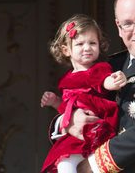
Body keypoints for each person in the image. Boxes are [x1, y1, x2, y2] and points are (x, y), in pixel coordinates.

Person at [60, 0, 135, 173]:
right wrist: (69, 120)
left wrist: (93, 164)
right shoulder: (109, 65)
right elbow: (74, 93)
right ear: (118, 27)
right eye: (128, 23)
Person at [40, 14, 127, 173]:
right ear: (66, 50)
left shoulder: (100, 69)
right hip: (76, 135)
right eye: (80, 43)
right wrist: (55, 102)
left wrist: (113, 82)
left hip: (97, 127)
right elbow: (68, 109)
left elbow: (103, 82)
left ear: (99, 46)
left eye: (92, 43)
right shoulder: (67, 79)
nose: (87, 48)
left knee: (80, 165)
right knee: (65, 164)